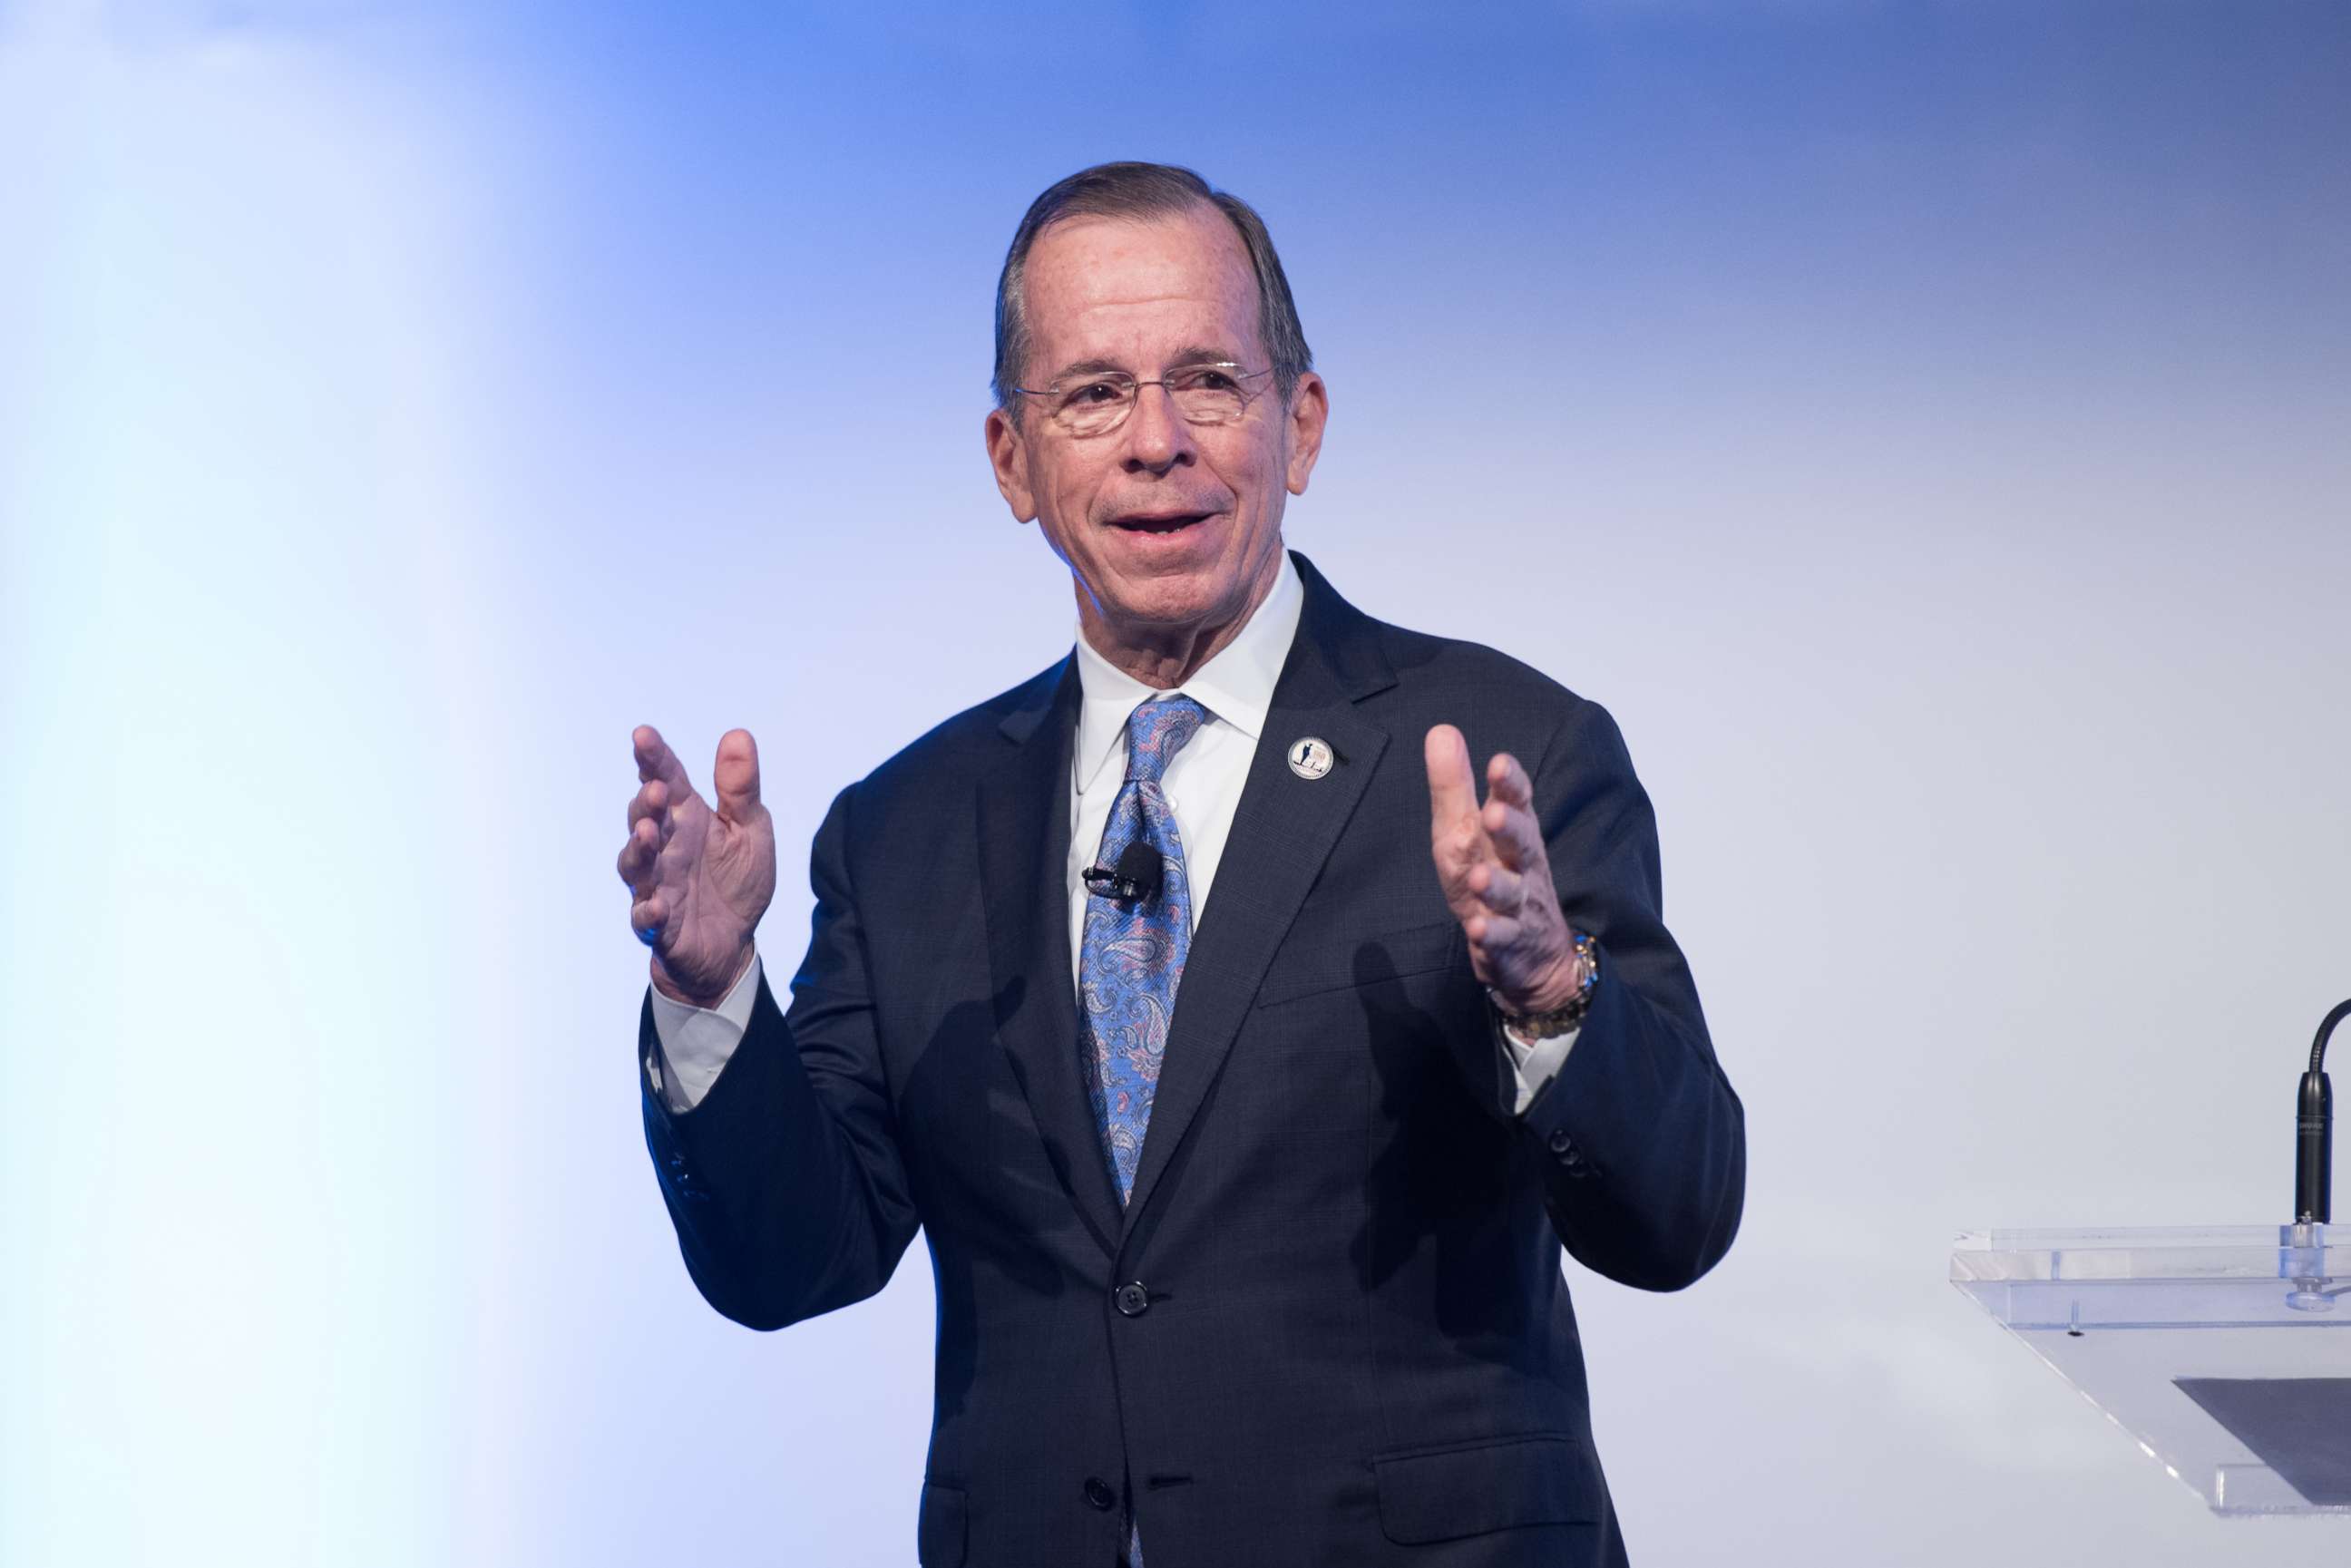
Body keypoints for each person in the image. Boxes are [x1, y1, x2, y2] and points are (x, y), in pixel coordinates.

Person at [616, 161, 1743, 1568]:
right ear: (1012, 459)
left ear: (1302, 423)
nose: (1157, 440)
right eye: (1093, 395)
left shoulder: (1508, 750)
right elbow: (793, 1258)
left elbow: (1679, 1214)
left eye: (1208, 380)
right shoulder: (901, 828)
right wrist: (714, 990)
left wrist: (1546, 990)